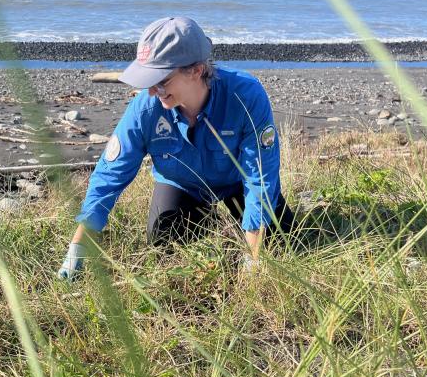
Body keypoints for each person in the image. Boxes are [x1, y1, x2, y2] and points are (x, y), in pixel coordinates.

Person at [58, 16, 292, 279]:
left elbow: (259, 175)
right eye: (148, 81)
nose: (152, 91)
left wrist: (253, 257)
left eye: (162, 80)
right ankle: (209, 222)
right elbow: (110, 175)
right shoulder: (145, 109)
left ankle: (239, 230)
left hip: (237, 184)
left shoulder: (246, 96)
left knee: (282, 243)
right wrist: (78, 246)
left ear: (196, 70)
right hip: (183, 187)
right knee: (163, 245)